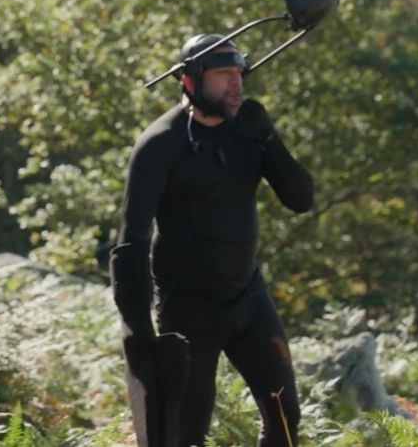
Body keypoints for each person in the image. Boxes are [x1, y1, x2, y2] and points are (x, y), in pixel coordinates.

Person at [109, 33, 315, 446]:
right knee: (187, 434)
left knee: (285, 417)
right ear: (190, 80)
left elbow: (301, 200)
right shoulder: (161, 144)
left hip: (248, 299)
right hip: (188, 312)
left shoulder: (250, 130)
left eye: (239, 73)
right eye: (224, 75)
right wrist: (140, 331)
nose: (236, 84)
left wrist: (269, 139)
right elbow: (131, 241)